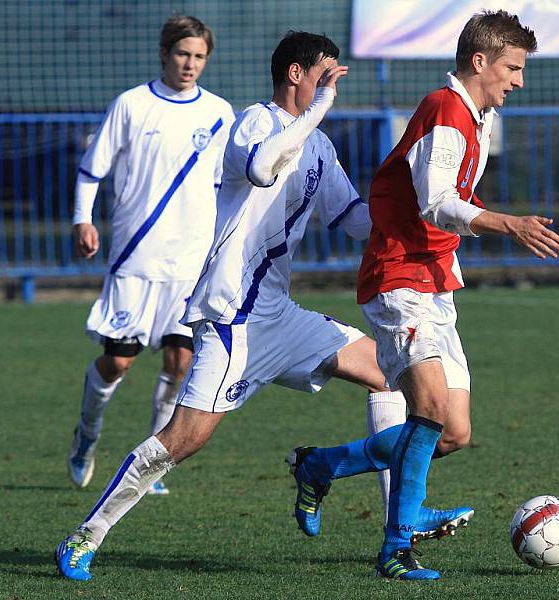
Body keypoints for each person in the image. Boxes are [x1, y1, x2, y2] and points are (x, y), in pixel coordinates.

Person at [55, 31, 468, 582]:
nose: (334, 83)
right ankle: (86, 536)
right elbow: (260, 168)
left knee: (396, 378)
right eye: (326, 73)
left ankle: (398, 514)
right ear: (296, 74)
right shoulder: (255, 121)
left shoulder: (320, 146)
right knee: (185, 438)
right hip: (232, 321)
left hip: (282, 317)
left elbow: (353, 222)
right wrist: (316, 112)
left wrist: (424, 212)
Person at [288, 10, 559, 580]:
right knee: (430, 410)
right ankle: (395, 548)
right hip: (398, 277)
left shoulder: (478, 116)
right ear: (480, 61)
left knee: (453, 432)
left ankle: (321, 465)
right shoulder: (445, 108)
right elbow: (435, 201)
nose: (518, 80)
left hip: (436, 280)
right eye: (512, 68)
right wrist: (507, 224)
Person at [66, 15, 235, 496]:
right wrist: (84, 219)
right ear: (165, 54)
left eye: (199, 56)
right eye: (183, 53)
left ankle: (149, 461)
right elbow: (91, 171)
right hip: (137, 257)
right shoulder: (132, 105)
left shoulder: (220, 113)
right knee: (118, 362)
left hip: (191, 261)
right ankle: (87, 435)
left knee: (180, 362)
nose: (190, 64)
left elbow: (228, 186)